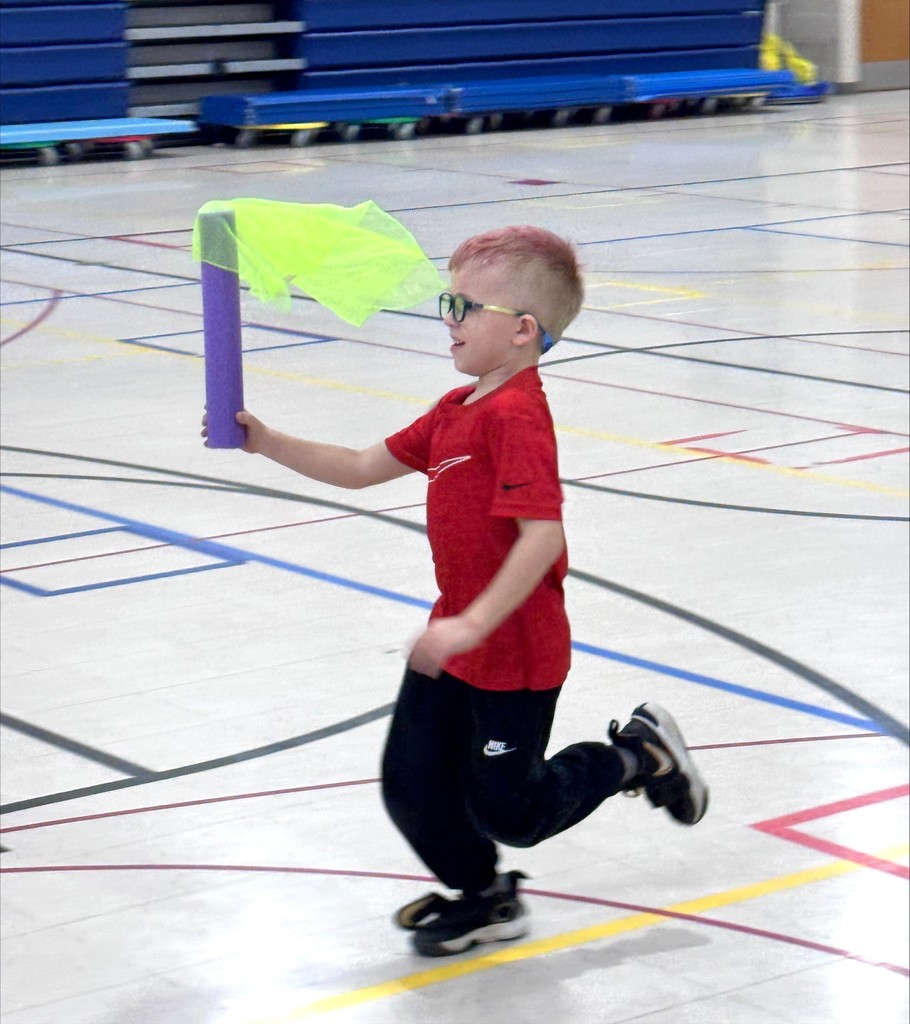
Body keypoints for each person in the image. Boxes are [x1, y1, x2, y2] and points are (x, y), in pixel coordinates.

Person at [203, 225, 708, 958]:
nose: (449, 317)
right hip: (455, 640)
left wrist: (473, 625)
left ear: (523, 331)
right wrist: (265, 440)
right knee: (412, 787)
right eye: (450, 301)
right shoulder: (456, 409)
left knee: (513, 813)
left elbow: (542, 537)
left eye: (466, 306)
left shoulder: (517, 417)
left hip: (514, 655)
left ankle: (636, 756)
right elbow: (359, 466)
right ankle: (485, 898)